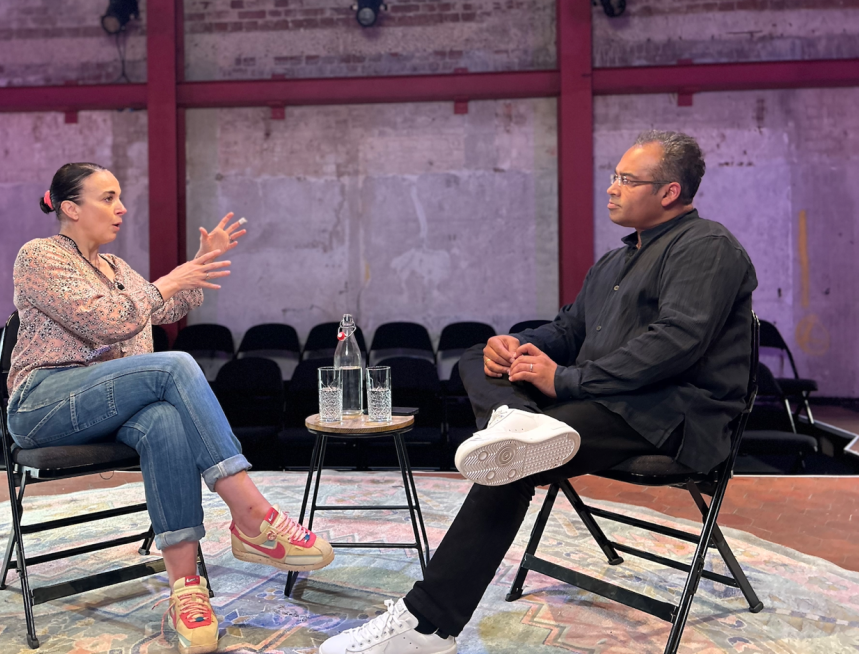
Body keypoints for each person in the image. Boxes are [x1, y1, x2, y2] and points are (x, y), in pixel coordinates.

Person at [319, 130, 758, 654]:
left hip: (671, 415)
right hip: (604, 402)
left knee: (512, 462)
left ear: (669, 192)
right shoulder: (616, 262)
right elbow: (569, 330)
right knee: (476, 360)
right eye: (613, 176)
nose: (612, 188)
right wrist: (518, 346)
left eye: (626, 178)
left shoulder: (707, 247)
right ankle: (517, 420)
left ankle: (427, 626)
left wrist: (563, 380)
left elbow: (676, 344)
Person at [7, 162, 334, 654]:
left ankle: (185, 589)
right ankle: (251, 513)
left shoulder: (115, 268)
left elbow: (164, 308)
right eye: (108, 197)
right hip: (43, 402)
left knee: (164, 420)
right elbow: (104, 322)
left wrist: (198, 264)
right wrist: (168, 281)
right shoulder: (40, 257)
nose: (121, 208)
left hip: (104, 404)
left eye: (120, 197)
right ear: (70, 208)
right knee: (174, 365)